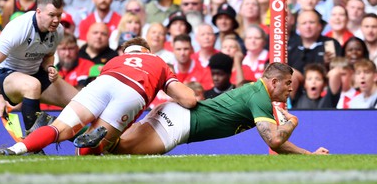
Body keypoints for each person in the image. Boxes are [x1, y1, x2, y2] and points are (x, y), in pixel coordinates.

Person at [0, 37, 198, 156]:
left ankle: (14, 149)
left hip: (103, 82)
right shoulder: (158, 62)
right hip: (133, 92)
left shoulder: (113, 61)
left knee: (59, 129)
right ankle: (92, 140)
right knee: (93, 148)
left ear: (126, 52)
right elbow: (189, 100)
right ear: (147, 51)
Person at [77, 62, 329, 155]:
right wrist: (292, 123)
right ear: (273, 82)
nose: (290, 89)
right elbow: (274, 140)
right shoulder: (260, 96)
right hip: (177, 126)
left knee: (111, 148)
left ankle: (101, 126)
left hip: (172, 114)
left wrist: (309, 155)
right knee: (117, 152)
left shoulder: (257, 93)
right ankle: (102, 127)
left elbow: (276, 141)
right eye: (287, 83)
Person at [0, 0, 79, 135]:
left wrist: (49, 67)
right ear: (38, 12)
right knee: (32, 85)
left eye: (59, 15)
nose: (56, 20)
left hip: (34, 73)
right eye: (51, 15)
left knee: (80, 101)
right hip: (5, 76)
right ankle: (32, 144)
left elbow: (48, 56)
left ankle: (91, 142)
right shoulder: (19, 28)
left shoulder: (58, 31)